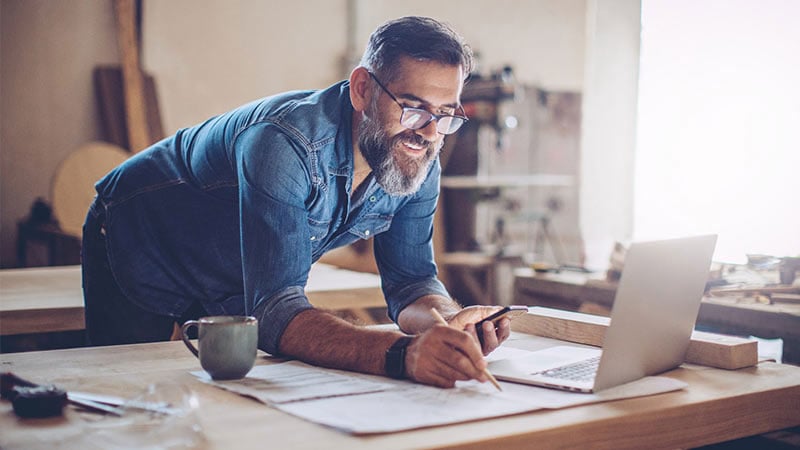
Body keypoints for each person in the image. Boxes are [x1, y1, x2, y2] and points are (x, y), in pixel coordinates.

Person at [82, 16, 511, 388]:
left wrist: (447, 323)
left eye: (445, 115)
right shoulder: (284, 145)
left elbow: (412, 283)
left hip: (233, 274)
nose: (430, 133)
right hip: (141, 240)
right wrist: (401, 355)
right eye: (414, 107)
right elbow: (276, 312)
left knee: (223, 408)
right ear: (362, 89)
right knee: (131, 400)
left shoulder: (418, 160)